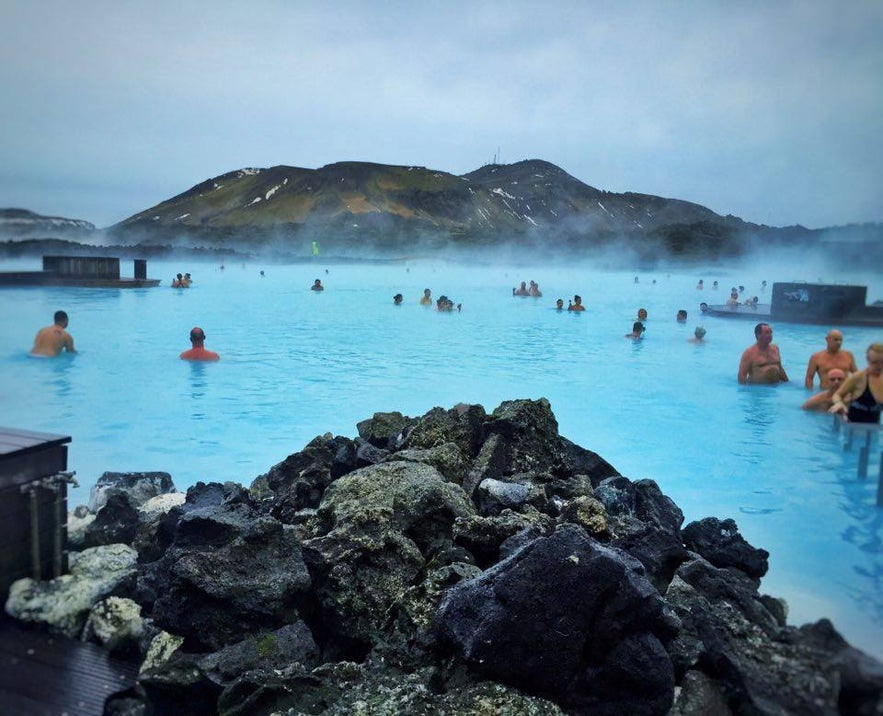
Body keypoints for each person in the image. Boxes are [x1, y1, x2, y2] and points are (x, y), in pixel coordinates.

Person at [828, 343, 883, 423]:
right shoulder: (858, 378)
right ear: (868, 359)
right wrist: (839, 403)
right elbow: (837, 395)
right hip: (852, 428)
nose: (880, 366)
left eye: (882, 362)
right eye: (875, 363)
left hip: (874, 428)